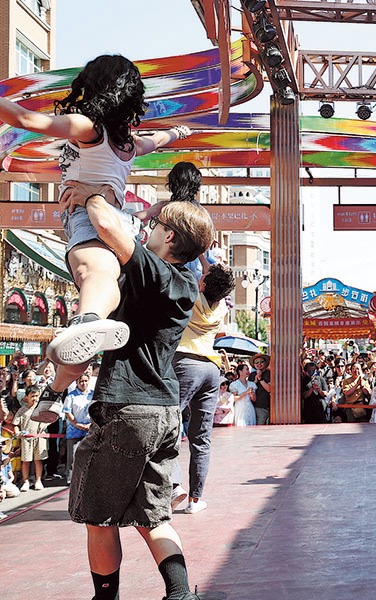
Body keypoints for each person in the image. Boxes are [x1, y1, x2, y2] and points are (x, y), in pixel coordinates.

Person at [0, 56, 192, 419]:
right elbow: (157, 139)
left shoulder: (89, 127)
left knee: (98, 278)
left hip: (93, 215)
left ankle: (86, 322)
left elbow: (27, 120)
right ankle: (55, 390)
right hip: (121, 225)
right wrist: (177, 134)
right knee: (103, 301)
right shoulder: (128, 145)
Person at [61, 186, 214, 600]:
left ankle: (104, 598)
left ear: (171, 238)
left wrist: (91, 192)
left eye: (155, 224)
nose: (147, 229)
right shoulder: (184, 284)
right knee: (154, 516)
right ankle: (181, 595)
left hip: (129, 407)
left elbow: (108, 224)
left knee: (98, 515)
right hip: (164, 411)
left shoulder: (157, 272)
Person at [171, 261, 236, 515]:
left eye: (205, 273)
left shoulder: (190, 294)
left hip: (185, 362)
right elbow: (214, 276)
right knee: (201, 438)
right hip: (211, 369)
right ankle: (195, 500)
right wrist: (207, 259)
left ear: (203, 283)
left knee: (170, 425)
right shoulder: (220, 307)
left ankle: (174, 486)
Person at [13, 385, 47, 491]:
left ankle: (38, 480)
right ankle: (26, 481)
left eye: (37, 396)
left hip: (39, 438)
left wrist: (43, 426)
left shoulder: (42, 409)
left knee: (38, 460)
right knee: (26, 460)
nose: (35, 398)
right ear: (27, 396)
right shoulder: (22, 410)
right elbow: (15, 424)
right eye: (32, 396)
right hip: (26, 439)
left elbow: (49, 420)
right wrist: (17, 432)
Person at [62, 373, 94, 485]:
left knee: (89, 455)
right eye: (81, 381)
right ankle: (71, 479)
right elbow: (67, 412)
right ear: (77, 382)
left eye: (85, 381)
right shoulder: (71, 396)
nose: (83, 383)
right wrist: (76, 424)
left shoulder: (92, 395)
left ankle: (87, 478)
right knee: (73, 455)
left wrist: (90, 424)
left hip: (89, 429)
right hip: (74, 430)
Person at [250, 354, 272, 425]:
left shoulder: (269, 373)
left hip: (266, 406)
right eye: (256, 362)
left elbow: (269, 389)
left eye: (261, 362)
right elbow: (249, 389)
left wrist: (260, 378)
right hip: (254, 406)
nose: (259, 364)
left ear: (265, 363)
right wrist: (255, 381)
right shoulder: (252, 375)